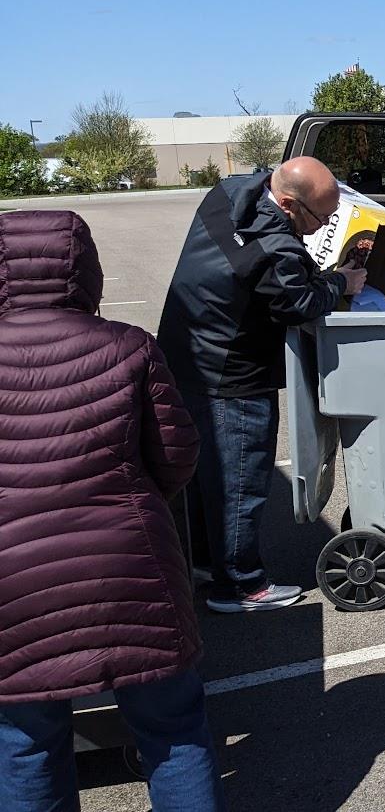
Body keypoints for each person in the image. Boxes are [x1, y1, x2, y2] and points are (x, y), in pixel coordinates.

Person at [0, 210, 223, 811]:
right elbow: (177, 455)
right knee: (174, 729)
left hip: (12, 583)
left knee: (25, 744)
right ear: (84, 268)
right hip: (130, 566)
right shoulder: (129, 346)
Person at [158, 156, 366, 613]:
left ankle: (208, 563)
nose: (325, 225)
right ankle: (240, 586)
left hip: (185, 354)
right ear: (288, 204)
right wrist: (341, 281)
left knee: (206, 475)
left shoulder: (229, 194)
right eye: (321, 217)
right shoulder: (273, 247)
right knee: (239, 479)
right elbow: (299, 304)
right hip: (231, 372)